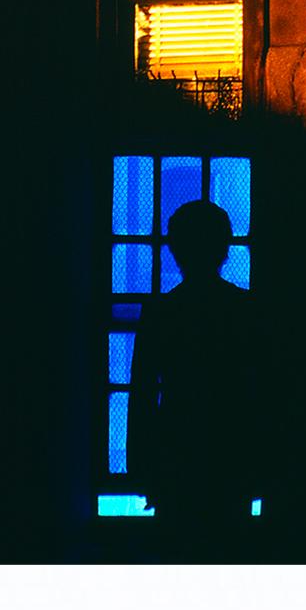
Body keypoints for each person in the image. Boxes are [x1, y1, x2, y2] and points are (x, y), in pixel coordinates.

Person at [127, 199, 262, 551]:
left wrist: (142, 466)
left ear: (176, 249)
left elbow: (142, 395)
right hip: (232, 451)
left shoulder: (161, 312)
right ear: (224, 248)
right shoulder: (245, 310)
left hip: (176, 452)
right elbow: (263, 391)